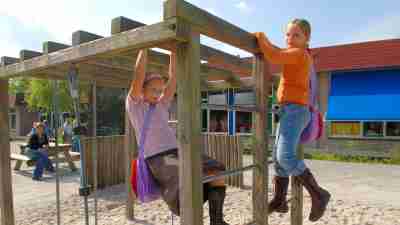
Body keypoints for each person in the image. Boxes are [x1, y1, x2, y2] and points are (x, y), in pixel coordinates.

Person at [126, 49, 230, 225]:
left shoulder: (161, 105)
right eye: (153, 89)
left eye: (160, 90)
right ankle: (181, 207)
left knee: (217, 170)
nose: (158, 94)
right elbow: (138, 75)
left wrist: (174, 51)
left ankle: (217, 220)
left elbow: (173, 78)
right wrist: (144, 47)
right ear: (142, 90)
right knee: (185, 178)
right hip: (157, 157)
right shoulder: (135, 105)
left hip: (176, 151)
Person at [254, 19, 331, 222]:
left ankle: (319, 194)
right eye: (287, 34)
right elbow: (280, 56)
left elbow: (273, 55)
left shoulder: (298, 53)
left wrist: (260, 36)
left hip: (296, 111)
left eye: (296, 35)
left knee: (285, 156)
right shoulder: (298, 54)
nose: (290, 38)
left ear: (307, 39)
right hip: (289, 110)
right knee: (278, 158)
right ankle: (280, 199)